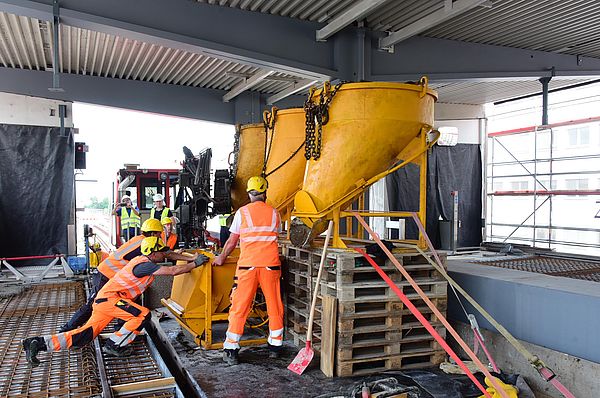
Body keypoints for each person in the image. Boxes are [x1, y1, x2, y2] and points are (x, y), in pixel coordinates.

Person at [22, 236, 209, 366]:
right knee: (143, 315)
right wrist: (196, 263)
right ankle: (114, 344)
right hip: (111, 300)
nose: (165, 253)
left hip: (104, 301)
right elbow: (173, 271)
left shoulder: (145, 258)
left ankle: (38, 343)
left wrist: (190, 256)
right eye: (162, 251)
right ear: (153, 253)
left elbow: (169, 255)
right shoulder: (144, 265)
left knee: (84, 336)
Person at [58, 219, 197, 333]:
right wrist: (192, 262)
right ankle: (68, 328)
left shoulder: (143, 241)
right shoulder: (144, 244)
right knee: (92, 305)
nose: (161, 236)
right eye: (159, 233)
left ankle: (121, 331)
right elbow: (167, 256)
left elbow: (166, 253)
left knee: (129, 305)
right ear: (154, 233)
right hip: (105, 275)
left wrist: (189, 258)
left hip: (114, 279)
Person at [213, 176, 283, 365]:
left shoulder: (242, 213)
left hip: (248, 266)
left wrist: (221, 258)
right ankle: (276, 346)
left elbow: (232, 241)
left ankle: (231, 349)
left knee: (239, 306)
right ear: (265, 192)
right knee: (274, 305)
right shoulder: (275, 213)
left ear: (249, 193)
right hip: (271, 265)